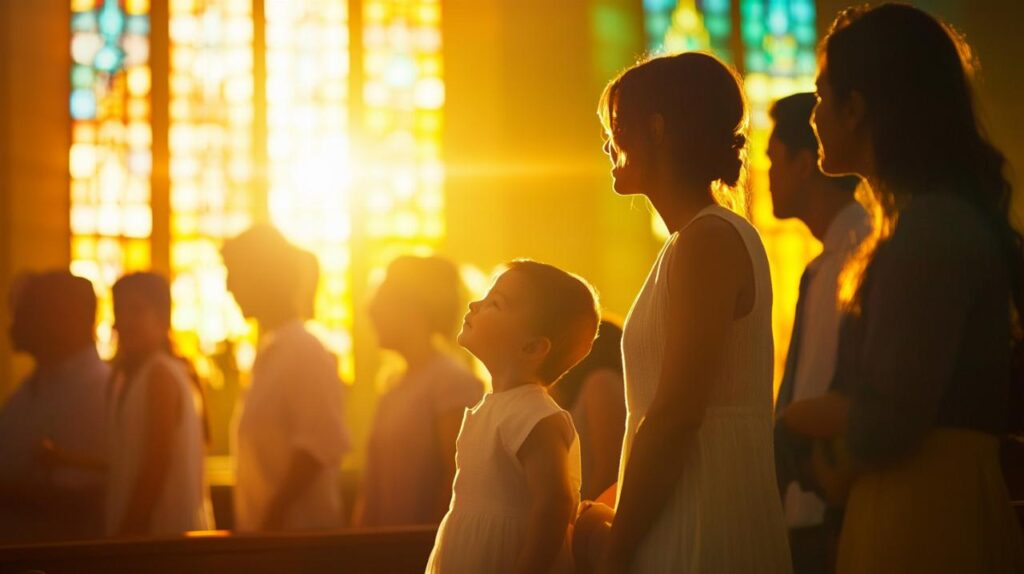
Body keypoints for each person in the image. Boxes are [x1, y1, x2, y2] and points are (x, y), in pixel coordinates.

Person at [781, 4, 1024, 572]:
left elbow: (887, 419)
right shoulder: (926, 222)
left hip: (924, 510)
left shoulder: (931, 229)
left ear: (856, 108)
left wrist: (800, 432)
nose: (813, 115)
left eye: (821, 95)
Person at [576, 52, 791, 573]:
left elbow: (676, 414)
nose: (607, 143)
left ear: (656, 129)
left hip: (702, 510)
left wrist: (617, 547)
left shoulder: (708, 239)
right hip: (675, 502)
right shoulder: (689, 242)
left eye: (617, 126)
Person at [426, 260, 600, 574]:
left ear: (532, 347)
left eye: (494, 303)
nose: (474, 304)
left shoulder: (534, 414)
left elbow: (555, 502)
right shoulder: (490, 407)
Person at [767, 92, 869, 574]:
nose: (767, 174)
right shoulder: (824, 262)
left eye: (774, 159)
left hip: (840, 502)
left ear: (805, 164)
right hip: (806, 505)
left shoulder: (865, 250)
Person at [223, 225, 350, 532]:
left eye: (235, 273)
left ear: (262, 276)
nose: (228, 286)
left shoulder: (304, 350)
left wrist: (272, 519)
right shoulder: (270, 352)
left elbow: (318, 447)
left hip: (298, 541)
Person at [357, 255, 484, 527]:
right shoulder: (394, 386)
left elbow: (458, 478)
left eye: (382, 302)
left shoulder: (451, 382)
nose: (371, 311)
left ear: (412, 310)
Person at [0, 271, 109, 542]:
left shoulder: (102, 390)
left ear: (65, 318)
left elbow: (87, 494)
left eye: (28, 312)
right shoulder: (31, 388)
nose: (13, 325)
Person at [106, 272, 213, 536]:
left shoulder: (160, 375)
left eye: (137, 310)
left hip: (160, 537)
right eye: (119, 311)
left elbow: (156, 463)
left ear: (163, 317)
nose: (125, 322)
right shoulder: (138, 375)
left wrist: (127, 534)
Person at [550, 319, 625, 501]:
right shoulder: (585, 392)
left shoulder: (601, 383)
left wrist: (583, 512)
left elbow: (611, 468)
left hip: (595, 511)